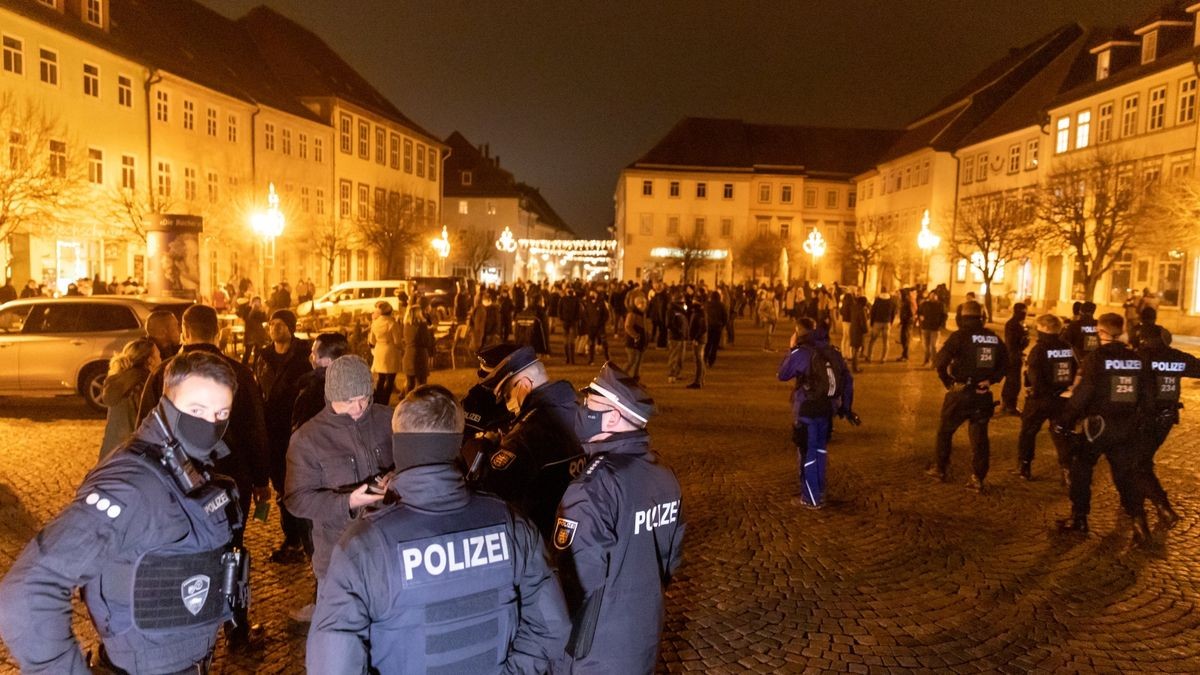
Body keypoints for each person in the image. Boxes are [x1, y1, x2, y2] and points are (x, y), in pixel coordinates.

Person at [0, 352, 245, 673]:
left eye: (220, 414)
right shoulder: (130, 484)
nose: (209, 425)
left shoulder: (190, 468)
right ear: (167, 404)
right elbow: (28, 588)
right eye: (196, 410)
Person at [307, 384, 569, 672]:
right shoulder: (511, 524)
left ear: (401, 445)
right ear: (456, 443)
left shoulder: (363, 546)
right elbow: (552, 626)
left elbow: (333, 663)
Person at [555, 363, 685, 672]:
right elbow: (671, 559)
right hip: (643, 633)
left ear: (613, 416)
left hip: (594, 648)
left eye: (590, 405)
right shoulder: (664, 475)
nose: (582, 410)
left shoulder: (591, 487)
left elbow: (573, 582)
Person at [284, 355, 393, 623]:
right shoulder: (307, 439)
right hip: (338, 557)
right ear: (331, 396)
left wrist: (398, 476)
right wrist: (347, 503)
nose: (357, 408)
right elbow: (296, 499)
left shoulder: (390, 419)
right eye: (348, 400)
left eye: (363, 398)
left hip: (389, 551)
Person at [1054, 313, 1152, 545]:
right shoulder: (1138, 359)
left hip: (1097, 427)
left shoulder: (1096, 358)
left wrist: (1064, 421)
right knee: (1125, 475)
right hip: (1126, 427)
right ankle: (1139, 521)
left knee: (1082, 469)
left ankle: (1079, 518)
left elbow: (1083, 394)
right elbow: (1148, 398)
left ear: (1101, 332)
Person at [470, 345, 585, 540]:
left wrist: (487, 448)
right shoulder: (579, 411)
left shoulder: (525, 435)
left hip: (540, 539)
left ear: (524, 385)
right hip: (581, 531)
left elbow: (491, 489)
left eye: (506, 395)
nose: (507, 404)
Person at [927, 300, 1007, 491]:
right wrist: (992, 380)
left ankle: (940, 469)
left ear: (961, 318)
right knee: (980, 438)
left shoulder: (959, 337)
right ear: (983, 317)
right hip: (982, 394)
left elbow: (939, 362)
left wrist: (948, 383)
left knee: (945, 432)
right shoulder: (993, 338)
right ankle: (978, 477)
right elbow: (1006, 364)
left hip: (960, 394)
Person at [777, 318, 857, 508]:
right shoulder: (833, 352)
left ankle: (810, 498)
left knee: (807, 452)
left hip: (807, 408)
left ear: (798, 332)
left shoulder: (801, 352)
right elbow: (848, 382)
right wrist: (845, 408)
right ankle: (819, 491)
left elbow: (783, 374)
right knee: (820, 450)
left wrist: (791, 348)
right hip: (828, 409)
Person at [255, 309, 313, 563]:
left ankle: (303, 539)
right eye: (271, 324)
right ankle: (292, 537)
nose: (274, 328)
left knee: (298, 485)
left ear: (291, 327)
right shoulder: (264, 357)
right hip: (273, 432)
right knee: (281, 488)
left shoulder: (303, 355)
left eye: (280, 324)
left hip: (297, 429)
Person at [1133, 325, 1200, 528]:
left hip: (1141, 418)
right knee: (1143, 458)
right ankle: (1141, 496)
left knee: (1137, 463)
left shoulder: (1137, 358)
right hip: (1166, 418)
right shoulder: (1176, 357)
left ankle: (1163, 507)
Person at [1015, 314, 1076, 482]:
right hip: (1063, 398)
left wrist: (1037, 390)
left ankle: (1024, 466)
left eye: (1038, 328)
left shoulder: (1039, 349)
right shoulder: (1067, 347)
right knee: (1061, 434)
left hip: (1040, 399)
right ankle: (1067, 469)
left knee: (1028, 432)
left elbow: (1034, 375)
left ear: (1045, 329)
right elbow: (1074, 369)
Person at [99, 337, 161, 460]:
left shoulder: (119, 382)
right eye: (159, 356)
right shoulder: (143, 385)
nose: (161, 360)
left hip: (110, 453)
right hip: (133, 455)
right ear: (150, 361)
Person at [292, 332, 351, 431]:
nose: (310, 357)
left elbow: (301, 431)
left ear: (327, 361)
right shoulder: (360, 386)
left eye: (314, 353)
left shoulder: (313, 391)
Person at [369, 300, 403, 405]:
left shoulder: (375, 323)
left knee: (381, 377)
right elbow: (397, 341)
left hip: (379, 350)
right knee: (390, 378)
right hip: (390, 351)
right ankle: (385, 400)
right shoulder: (392, 323)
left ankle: (378, 399)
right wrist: (402, 348)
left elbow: (372, 341)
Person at [1000, 303, 1029, 415]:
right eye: (1023, 312)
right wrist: (1023, 343)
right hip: (1013, 356)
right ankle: (1010, 405)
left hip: (1014, 355)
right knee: (1014, 382)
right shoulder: (1014, 324)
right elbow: (1012, 343)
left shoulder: (1016, 324)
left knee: (1011, 381)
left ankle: (1006, 404)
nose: (1024, 314)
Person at [402, 297, 435, 396]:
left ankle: (407, 402)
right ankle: (421, 403)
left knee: (410, 383)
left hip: (408, 355)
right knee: (422, 383)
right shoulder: (422, 325)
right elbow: (426, 342)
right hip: (420, 355)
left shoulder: (406, 326)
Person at [918, 291, 948, 366]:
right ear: (929, 296)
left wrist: (940, 324)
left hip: (935, 328)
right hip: (925, 327)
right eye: (931, 295)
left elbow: (944, 315)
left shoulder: (941, 305)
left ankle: (934, 362)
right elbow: (919, 312)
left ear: (937, 296)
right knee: (926, 345)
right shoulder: (925, 304)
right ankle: (926, 360)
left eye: (934, 295)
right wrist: (921, 317)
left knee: (933, 346)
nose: (933, 297)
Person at [866, 288, 896, 363]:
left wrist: (871, 323)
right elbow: (893, 313)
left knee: (872, 340)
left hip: (877, 322)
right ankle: (883, 358)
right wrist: (890, 322)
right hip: (887, 322)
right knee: (885, 341)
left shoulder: (877, 300)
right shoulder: (891, 301)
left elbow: (873, 312)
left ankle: (869, 356)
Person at [624, 293, 649, 379]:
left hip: (641, 342)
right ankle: (620, 377)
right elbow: (628, 326)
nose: (644, 306)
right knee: (632, 360)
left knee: (638, 361)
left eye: (644, 303)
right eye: (642, 304)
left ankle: (635, 378)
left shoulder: (642, 314)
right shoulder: (632, 314)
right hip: (632, 342)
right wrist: (636, 336)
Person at [582, 289, 610, 365]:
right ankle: (591, 359)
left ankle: (607, 358)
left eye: (594, 293)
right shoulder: (588, 303)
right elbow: (585, 314)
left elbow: (606, 315)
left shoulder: (601, 303)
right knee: (591, 344)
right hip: (591, 327)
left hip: (600, 327)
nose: (592, 295)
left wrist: (601, 322)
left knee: (604, 343)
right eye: (591, 293)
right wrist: (589, 322)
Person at [686, 293, 707, 389]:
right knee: (699, 360)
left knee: (698, 360)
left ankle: (698, 381)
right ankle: (700, 380)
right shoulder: (697, 312)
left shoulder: (700, 313)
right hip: (699, 339)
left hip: (699, 340)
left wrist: (696, 338)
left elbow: (703, 328)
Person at [241, 296, 269, 366]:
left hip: (259, 334)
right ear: (252, 302)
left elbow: (265, 319)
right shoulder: (248, 309)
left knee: (257, 354)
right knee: (247, 353)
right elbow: (247, 319)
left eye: (259, 302)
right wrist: (253, 309)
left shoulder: (260, 311)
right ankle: (243, 369)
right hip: (250, 334)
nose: (257, 304)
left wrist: (263, 312)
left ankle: (255, 370)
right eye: (255, 302)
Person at [703, 290, 727, 368]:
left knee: (708, 343)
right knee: (715, 345)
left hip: (708, 326)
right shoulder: (721, 305)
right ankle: (711, 361)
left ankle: (704, 358)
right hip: (717, 327)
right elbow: (725, 317)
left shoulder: (707, 305)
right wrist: (722, 324)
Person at [559, 285, 582, 364]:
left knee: (571, 341)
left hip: (572, 323)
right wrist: (562, 319)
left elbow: (578, 311)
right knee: (566, 341)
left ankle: (572, 359)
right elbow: (559, 310)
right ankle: (567, 358)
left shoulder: (575, 299)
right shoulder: (563, 299)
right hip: (566, 322)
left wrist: (576, 320)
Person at [760, 286, 781, 351]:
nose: (771, 294)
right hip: (768, 319)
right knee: (768, 334)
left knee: (770, 334)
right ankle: (767, 347)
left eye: (772, 293)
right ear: (767, 293)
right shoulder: (765, 302)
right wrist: (764, 317)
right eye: (769, 293)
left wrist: (777, 317)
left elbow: (777, 310)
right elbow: (760, 310)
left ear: (774, 293)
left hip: (774, 320)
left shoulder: (776, 301)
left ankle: (766, 346)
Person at [896, 288, 915, 362]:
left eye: (899, 294)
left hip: (907, 323)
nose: (898, 295)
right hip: (905, 323)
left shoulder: (907, 302)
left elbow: (911, 313)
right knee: (903, 339)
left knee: (906, 339)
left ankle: (905, 356)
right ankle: (904, 355)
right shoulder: (904, 301)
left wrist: (905, 320)